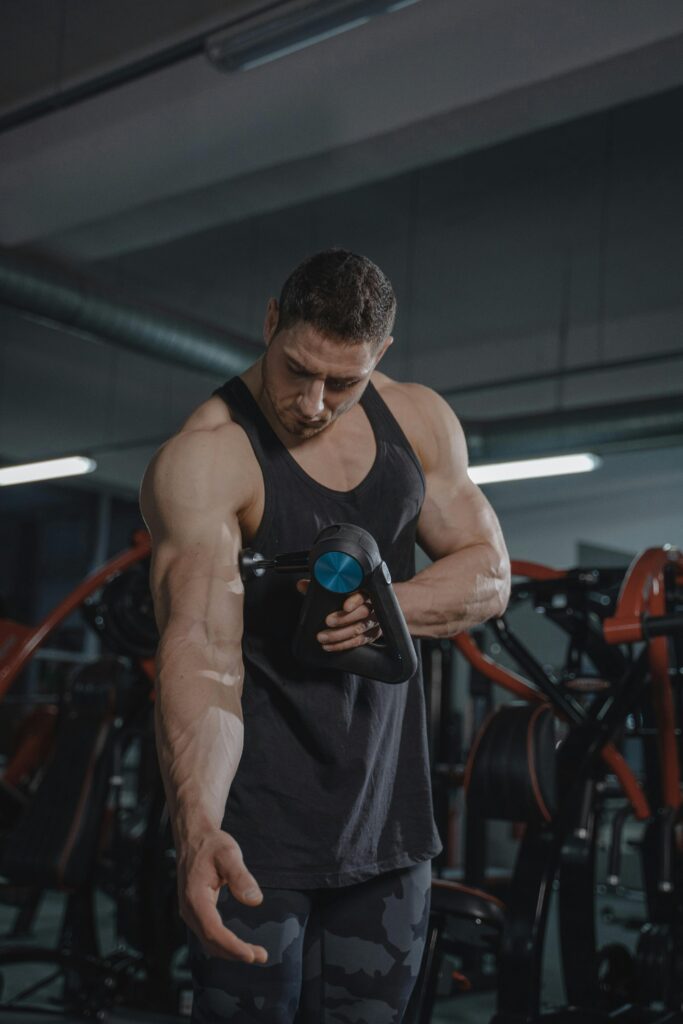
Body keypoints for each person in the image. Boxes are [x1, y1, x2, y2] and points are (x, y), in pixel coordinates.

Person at [139, 249, 510, 1023]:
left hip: (389, 827)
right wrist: (198, 823)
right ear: (271, 322)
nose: (311, 403)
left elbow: (489, 573)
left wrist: (389, 605)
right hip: (253, 836)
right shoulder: (209, 454)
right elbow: (202, 649)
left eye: (342, 381)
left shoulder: (417, 419)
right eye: (296, 369)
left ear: (381, 356)